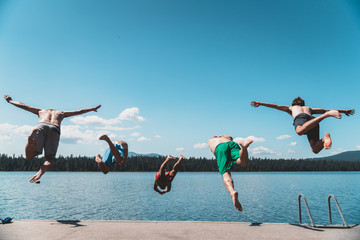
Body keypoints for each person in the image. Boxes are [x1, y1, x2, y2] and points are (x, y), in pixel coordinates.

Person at [4, 94, 101, 183]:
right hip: (54, 128)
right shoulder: (61, 113)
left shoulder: (41, 111)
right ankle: (40, 173)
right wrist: (92, 109)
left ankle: (31, 142)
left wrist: (10, 101)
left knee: (29, 157)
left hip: (41, 126)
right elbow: (79, 111)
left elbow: (23, 105)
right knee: (50, 159)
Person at [251, 97, 355, 154]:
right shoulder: (309, 108)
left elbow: (276, 106)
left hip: (301, 119)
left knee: (299, 131)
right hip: (313, 121)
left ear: (293, 104)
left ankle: (325, 117)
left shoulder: (291, 108)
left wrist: (260, 103)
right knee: (315, 150)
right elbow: (325, 109)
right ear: (303, 103)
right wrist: (344, 111)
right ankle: (324, 139)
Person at [208, 135, 253, 212]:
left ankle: (232, 192)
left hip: (220, 148)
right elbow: (230, 138)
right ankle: (244, 148)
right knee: (242, 162)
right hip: (232, 144)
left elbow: (214, 139)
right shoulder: (226, 137)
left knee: (225, 173)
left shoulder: (212, 140)